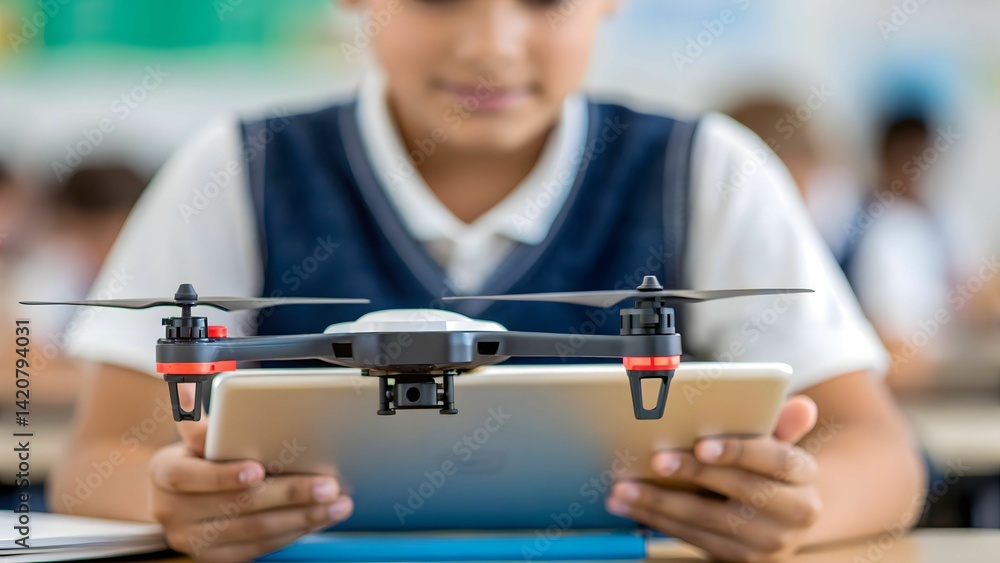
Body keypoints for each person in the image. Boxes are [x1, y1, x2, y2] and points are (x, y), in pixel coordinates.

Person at [52, 1, 925, 561]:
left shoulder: (710, 168)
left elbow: (881, 454)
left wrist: (803, 505)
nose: (491, 44)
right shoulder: (235, 168)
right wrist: (177, 506)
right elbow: (96, 464)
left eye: (543, 2)